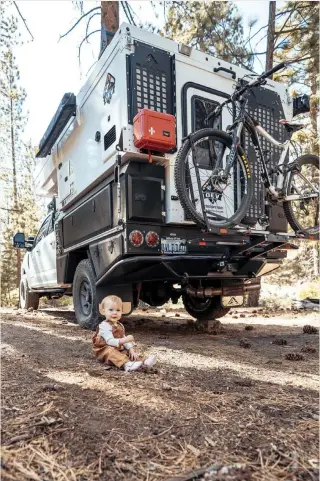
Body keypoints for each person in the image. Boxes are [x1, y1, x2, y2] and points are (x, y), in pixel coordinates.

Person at [92, 295, 157, 372]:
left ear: (122, 312)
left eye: (118, 310)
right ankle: (126, 365)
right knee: (111, 352)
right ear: (103, 311)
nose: (115, 313)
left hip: (117, 349)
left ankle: (144, 361)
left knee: (127, 353)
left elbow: (123, 338)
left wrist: (131, 349)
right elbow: (110, 341)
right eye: (111, 310)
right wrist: (126, 339)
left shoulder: (120, 325)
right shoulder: (104, 326)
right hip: (103, 351)